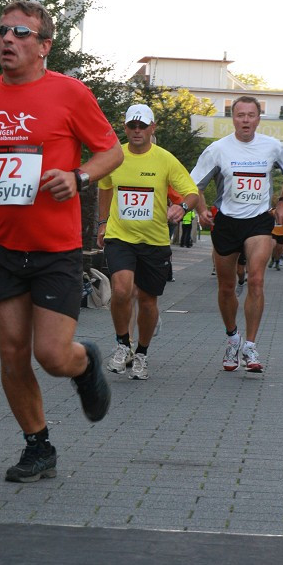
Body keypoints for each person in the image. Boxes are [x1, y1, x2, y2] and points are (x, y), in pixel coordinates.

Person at [0, 0, 123, 482]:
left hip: (54, 248)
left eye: (21, 32)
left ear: (44, 46)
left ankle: (85, 365)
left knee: (52, 355)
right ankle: (38, 446)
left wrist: (78, 177)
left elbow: (111, 151)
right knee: (13, 353)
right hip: (0, 246)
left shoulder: (70, 93)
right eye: (2, 31)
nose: (7, 39)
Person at [192, 95, 283, 373]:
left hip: (259, 221)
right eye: (241, 115)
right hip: (226, 222)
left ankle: (250, 345)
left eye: (251, 115)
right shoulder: (218, 149)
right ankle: (232, 338)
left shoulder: (272, 147)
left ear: (258, 118)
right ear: (233, 118)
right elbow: (194, 185)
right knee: (226, 287)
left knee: (257, 280)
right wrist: (202, 209)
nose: (246, 120)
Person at [96, 104, 199, 381]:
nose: (137, 130)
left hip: (154, 241)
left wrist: (182, 208)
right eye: (132, 126)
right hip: (121, 237)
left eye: (143, 126)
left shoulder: (165, 159)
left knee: (148, 300)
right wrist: (103, 222)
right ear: (126, 127)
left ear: (153, 128)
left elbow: (192, 192)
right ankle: (122, 345)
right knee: (120, 289)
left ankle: (141, 352)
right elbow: (105, 187)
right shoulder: (115, 155)